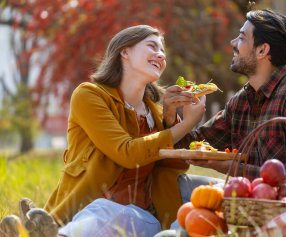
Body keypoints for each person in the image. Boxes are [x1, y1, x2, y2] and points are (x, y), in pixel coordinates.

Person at [0, 25, 206, 237]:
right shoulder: (89, 95)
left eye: (162, 51)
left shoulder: (157, 111)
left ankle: (34, 230)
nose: (160, 54)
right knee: (102, 211)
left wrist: (172, 121)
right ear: (124, 52)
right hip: (86, 211)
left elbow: (175, 166)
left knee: (116, 214)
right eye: (152, 46)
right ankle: (40, 229)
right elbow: (127, 153)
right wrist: (186, 125)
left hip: (142, 216)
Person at [164, 7, 286, 199]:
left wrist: (233, 168)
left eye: (242, 37)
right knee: (178, 185)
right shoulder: (241, 102)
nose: (233, 43)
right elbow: (192, 146)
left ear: (262, 50)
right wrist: (172, 114)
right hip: (249, 207)